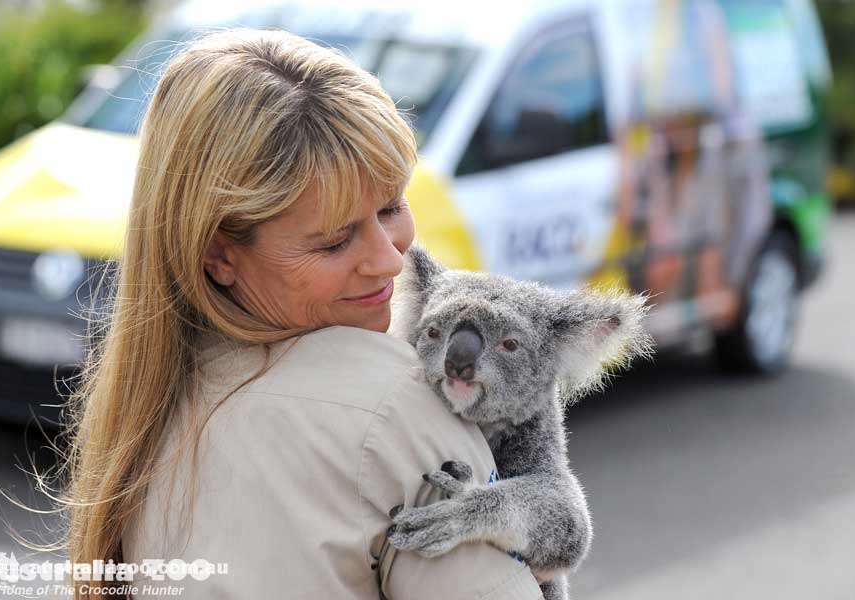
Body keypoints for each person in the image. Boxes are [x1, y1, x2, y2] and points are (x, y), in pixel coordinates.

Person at [58, 28, 544, 599]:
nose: (390, 260)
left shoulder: (140, 410)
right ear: (218, 254)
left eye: (391, 206)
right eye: (334, 242)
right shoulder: (397, 408)